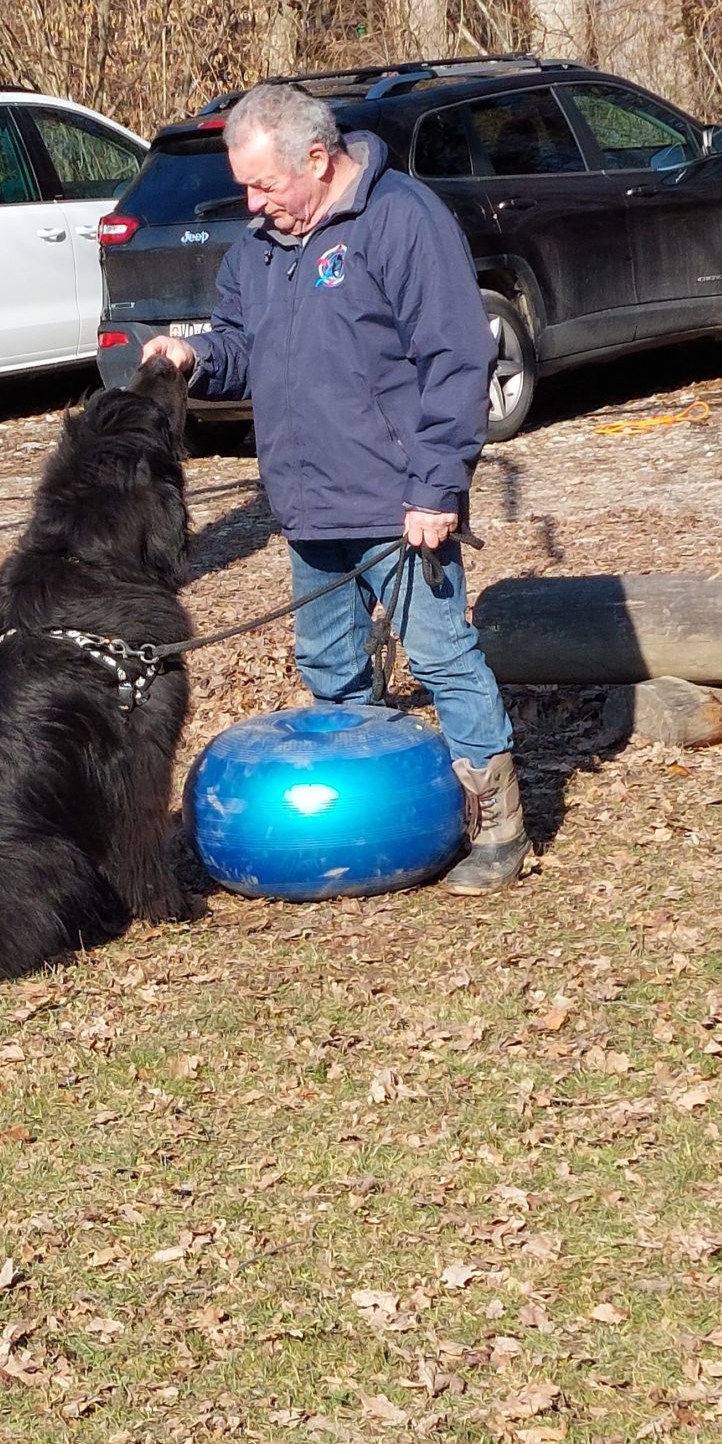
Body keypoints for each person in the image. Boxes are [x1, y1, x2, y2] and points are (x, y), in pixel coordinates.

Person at [141, 81, 528, 893]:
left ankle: (497, 826)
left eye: (264, 184)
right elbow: (243, 348)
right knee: (329, 667)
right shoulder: (260, 246)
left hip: (399, 504)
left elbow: (457, 359)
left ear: (318, 159)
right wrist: (195, 357)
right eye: (245, 184)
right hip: (308, 505)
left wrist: (435, 488)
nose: (252, 201)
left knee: (443, 654)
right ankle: (373, 819)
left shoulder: (402, 220)